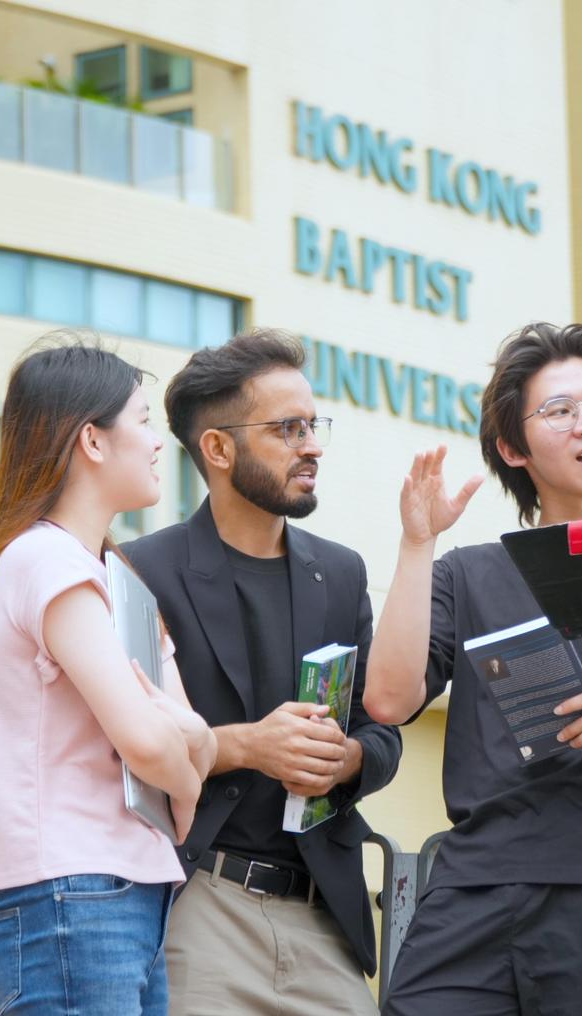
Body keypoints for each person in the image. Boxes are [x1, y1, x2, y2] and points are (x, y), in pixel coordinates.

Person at [364, 321, 582, 1016]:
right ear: (511, 447)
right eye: (560, 411)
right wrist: (417, 544)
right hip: (472, 885)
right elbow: (388, 700)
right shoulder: (469, 573)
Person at [126, 329, 402, 1016]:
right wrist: (250, 745)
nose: (311, 446)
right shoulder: (141, 571)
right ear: (218, 449)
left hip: (324, 917)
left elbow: (382, 732)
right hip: (202, 907)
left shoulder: (341, 573)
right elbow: (126, 747)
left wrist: (345, 760)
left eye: (313, 426)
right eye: (288, 429)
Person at [0, 336, 216, 1016]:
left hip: (114, 892)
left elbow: (197, 738)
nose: (158, 442)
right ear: (91, 441)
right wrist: (182, 779)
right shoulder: (48, 562)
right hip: (71, 893)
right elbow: (158, 744)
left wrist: (181, 754)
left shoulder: (114, 580)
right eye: (143, 420)